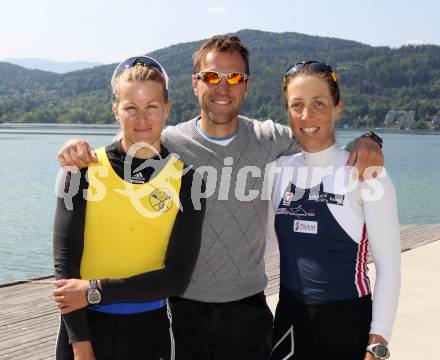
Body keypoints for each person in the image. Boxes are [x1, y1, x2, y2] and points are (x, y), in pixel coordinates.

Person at [56, 36, 384, 360]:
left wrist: (367, 140)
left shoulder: (270, 138)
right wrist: (77, 147)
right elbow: (125, 141)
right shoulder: (168, 140)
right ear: (196, 84)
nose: (223, 87)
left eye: (235, 78)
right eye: (212, 76)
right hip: (181, 312)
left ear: (247, 85)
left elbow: (317, 137)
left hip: (248, 314)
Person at [53, 56, 205, 360]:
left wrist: (94, 291)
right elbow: (65, 265)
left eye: (151, 106)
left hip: (148, 334)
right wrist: (80, 344)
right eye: (130, 108)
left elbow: (176, 278)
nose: (142, 118)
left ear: (167, 109)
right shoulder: (81, 169)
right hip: (83, 332)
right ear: (115, 110)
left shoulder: (189, 181)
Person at [268, 61, 401, 360]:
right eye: (297, 104)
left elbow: (389, 266)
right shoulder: (276, 172)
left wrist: (378, 343)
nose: (307, 115)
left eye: (319, 103)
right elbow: (266, 244)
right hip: (289, 322)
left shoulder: (368, 172)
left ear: (338, 108)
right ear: (287, 111)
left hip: (348, 324)